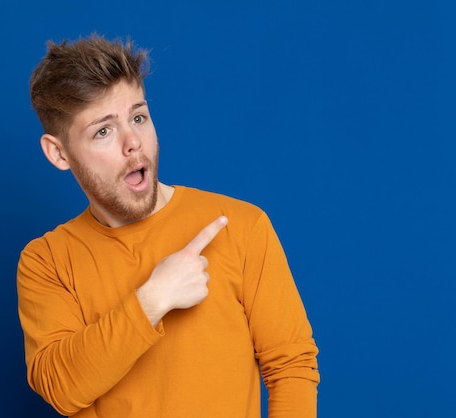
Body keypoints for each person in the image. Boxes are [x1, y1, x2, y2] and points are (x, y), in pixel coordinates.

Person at [17, 33, 320, 418]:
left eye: (138, 117)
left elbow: (292, 366)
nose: (133, 143)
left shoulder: (241, 226)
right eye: (103, 131)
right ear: (58, 153)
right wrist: (152, 300)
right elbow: (61, 389)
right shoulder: (46, 261)